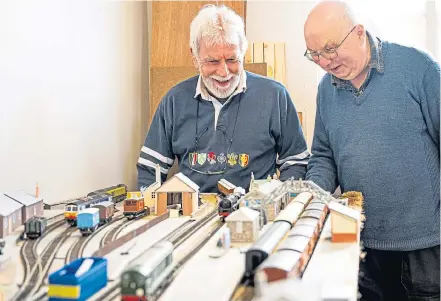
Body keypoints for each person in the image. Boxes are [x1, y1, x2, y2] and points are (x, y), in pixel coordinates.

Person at [303, 1, 440, 300]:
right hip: (363, 243)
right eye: (314, 55)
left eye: (330, 48)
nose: (325, 62)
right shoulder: (326, 89)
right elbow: (324, 156)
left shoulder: (419, 69)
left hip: (426, 246)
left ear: (359, 32)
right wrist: (310, 194)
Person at [137, 4, 309, 193]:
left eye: (232, 60)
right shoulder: (174, 101)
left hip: (255, 211)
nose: (224, 72)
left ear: (243, 51)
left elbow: (296, 163)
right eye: (212, 61)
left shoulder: (275, 96)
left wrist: (276, 198)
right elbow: (150, 169)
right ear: (194, 56)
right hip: (194, 213)